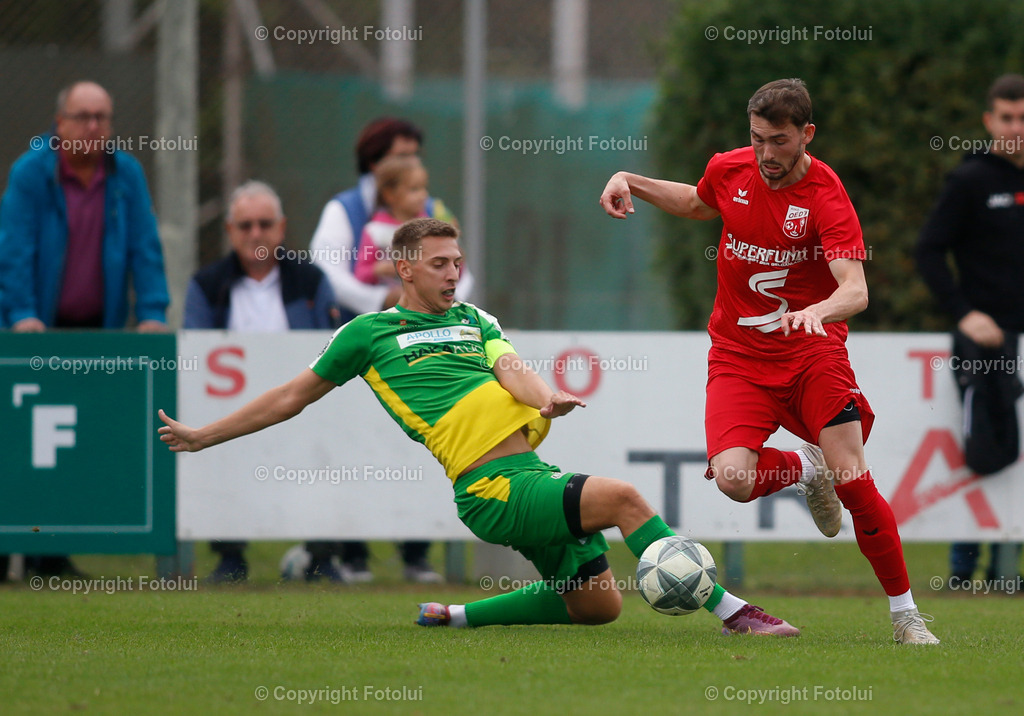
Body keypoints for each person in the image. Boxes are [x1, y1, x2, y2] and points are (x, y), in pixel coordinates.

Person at [159, 217, 798, 635]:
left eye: (457, 261)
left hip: (530, 473)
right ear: (404, 269)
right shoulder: (368, 335)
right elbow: (289, 397)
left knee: (598, 606)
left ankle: (455, 615)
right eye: (438, 263)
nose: (452, 272)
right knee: (626, 498)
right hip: (491, 489)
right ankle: (734, 613)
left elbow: (512, 368)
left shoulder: (475, 319)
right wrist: (203, 434)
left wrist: (546, 398)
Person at [599, 78, 940, 644]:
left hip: (812, 352)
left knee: (853, 477)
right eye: (757, 138)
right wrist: (627, 179)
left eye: (779, 141)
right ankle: (808, 469)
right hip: (738, 356)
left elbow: (854, 289)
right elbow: (694, 202)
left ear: (806, 134)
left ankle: (906, 616)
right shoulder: (730, 169)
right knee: (733, 478)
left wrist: (819, 311)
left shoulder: (826, 195)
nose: (765, 154)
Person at [0, 80, 169, 580]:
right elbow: (14, 251)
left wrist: (153, 311)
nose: (93, 127)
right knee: (17, 443)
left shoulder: (125, 174)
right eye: (83, 116)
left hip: (97, 329)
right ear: (60, 124)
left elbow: (145, 245)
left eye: (102, 117)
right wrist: (21, 315)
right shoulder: (32, 173)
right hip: (35, 329)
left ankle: (49, 554)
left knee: (68, 447)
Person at [309, 117, 465, 583]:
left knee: (424, 441)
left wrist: (451, 303)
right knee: (356, 448)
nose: (413, 165)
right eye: (401, 156)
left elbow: (460, 271)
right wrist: (380, 303)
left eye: (416, 154)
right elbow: (331, 270)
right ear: (377, 166)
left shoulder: (434, 213)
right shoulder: (347, 212)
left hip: (427, 342)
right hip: (371, 343)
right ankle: (351, 552)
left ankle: (416, 552)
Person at [183, 180, 339, 583]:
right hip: (230, 403)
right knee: (222, 452)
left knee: (326, 454)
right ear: (230, 230)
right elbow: (196, 349)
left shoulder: (310, 281)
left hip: (304, 405)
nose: (256, 233)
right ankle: (229, 557)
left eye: (265, 224)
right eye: (246, 224)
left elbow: (332, 346)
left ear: (281, 227)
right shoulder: (207, 284)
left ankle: (322, 555)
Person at [916, 73, 1024, 593]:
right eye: (1007, 117)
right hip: (988, 342)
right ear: (989, 121)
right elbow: (928, 251)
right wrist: (963, 313)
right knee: (983, 444)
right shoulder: (971, 179)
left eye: (1023, 117)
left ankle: (1016, 576)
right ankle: (964, 574)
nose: (1016, 128)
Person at [353, 155, 429, 288]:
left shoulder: (430, 228)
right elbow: (361, 273)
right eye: (414, 189)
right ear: (389, 194)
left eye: (424, 188)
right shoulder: (375, 231)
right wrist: (378, 270)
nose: (423, 195)